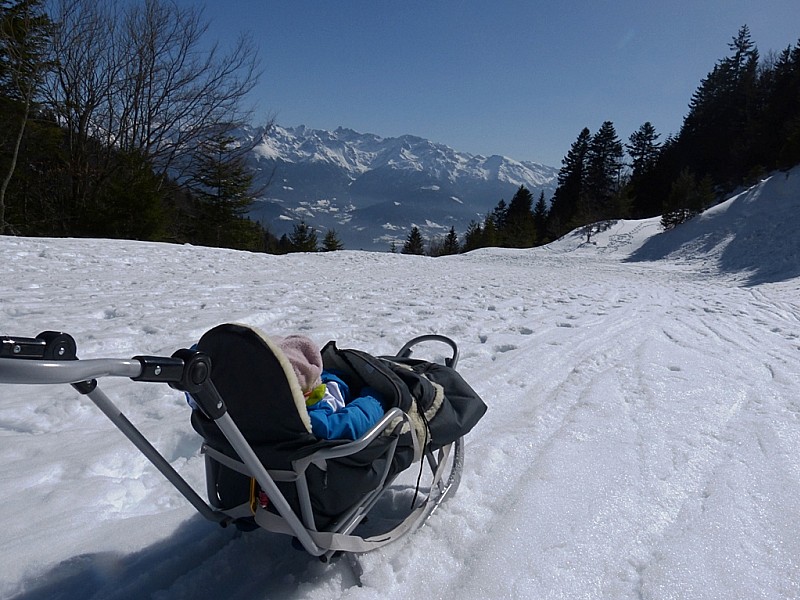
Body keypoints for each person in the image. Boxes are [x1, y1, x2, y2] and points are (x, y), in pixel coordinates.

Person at [274, 335, 385, 441]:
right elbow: (356, 420)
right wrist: (374, 397)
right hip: (360, 393)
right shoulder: (313, 422)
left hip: (336, 379)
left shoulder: (263, 412)